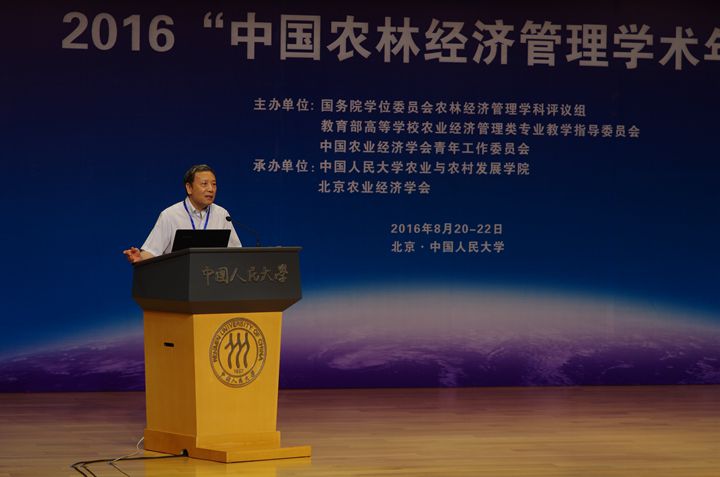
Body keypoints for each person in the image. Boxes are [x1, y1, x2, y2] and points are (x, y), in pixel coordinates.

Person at [123, 164, 241, 263]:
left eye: (214, 184)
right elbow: (152, 251)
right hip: (177, 279)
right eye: (204, 184)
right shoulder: (170, 215)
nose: (211, 189)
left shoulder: (222, 214)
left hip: (212, 279)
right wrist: (140, 257)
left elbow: (236, 252)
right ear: (189, 188)